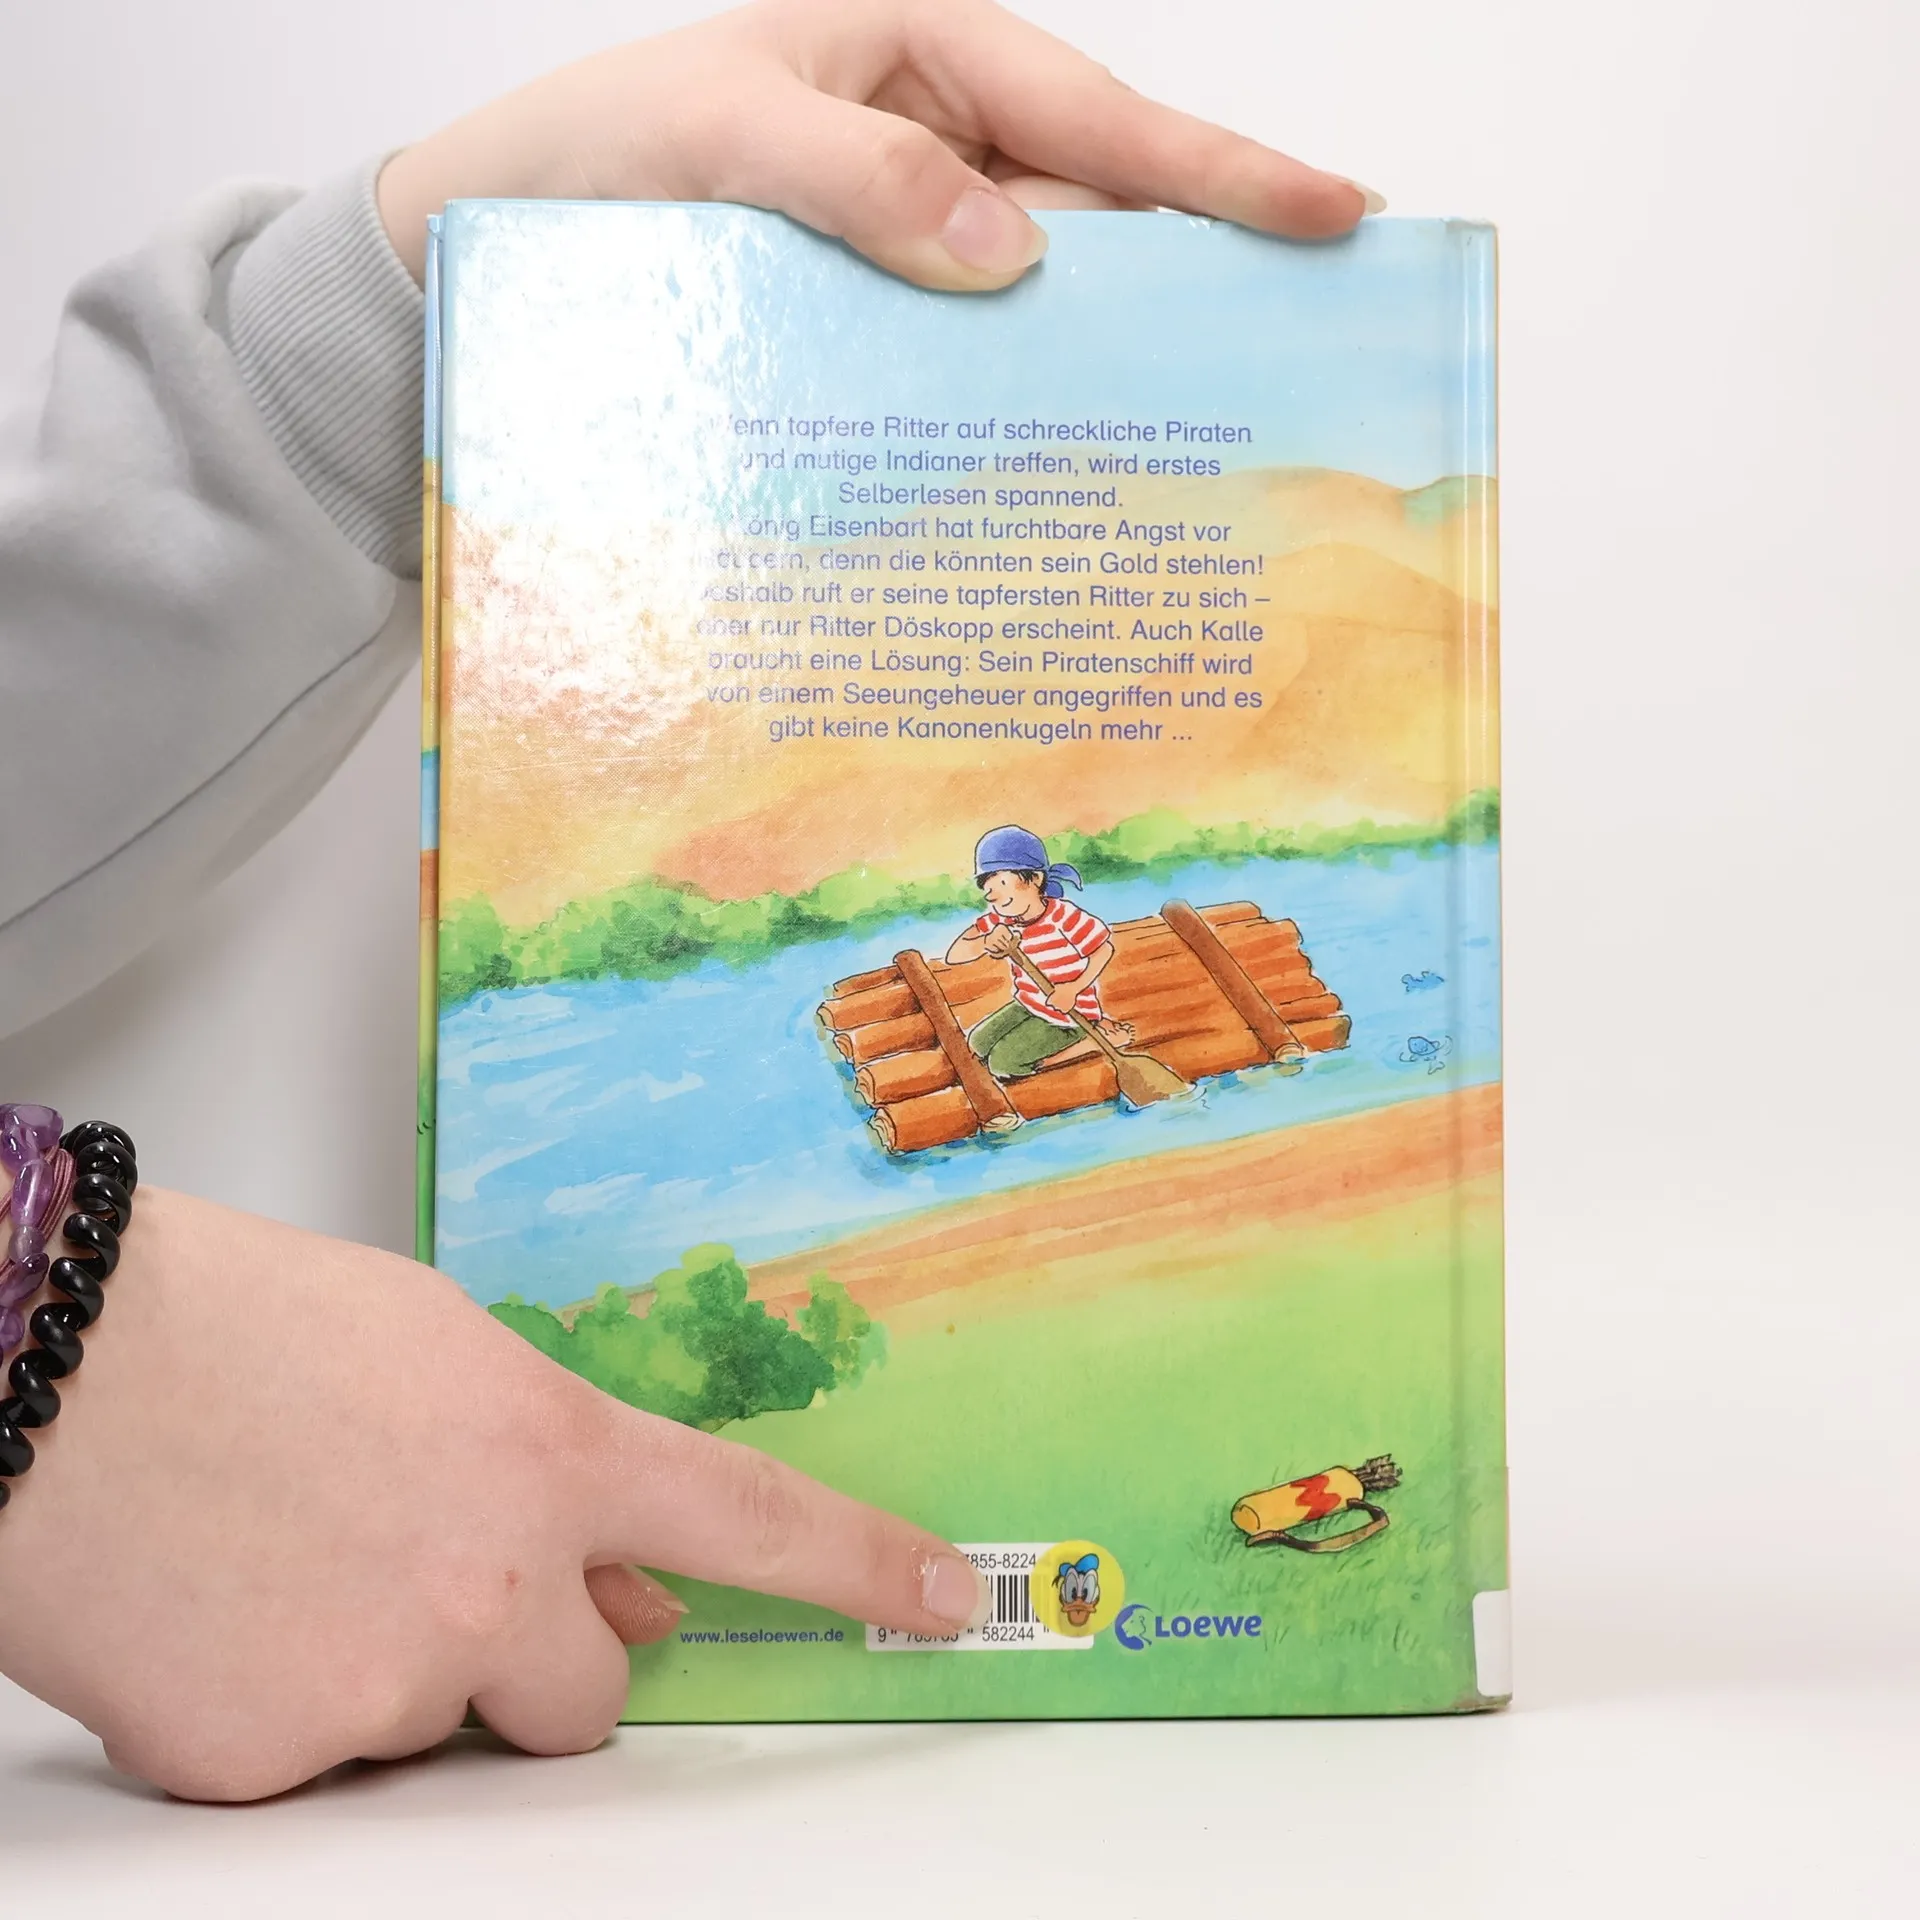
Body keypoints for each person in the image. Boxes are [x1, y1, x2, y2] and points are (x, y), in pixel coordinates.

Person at [0, 0, 1376, 1801]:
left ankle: (1106, 1074)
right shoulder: (1018, 920)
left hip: (1077, 1004)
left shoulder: (1051, 918)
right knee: (1033, 1031)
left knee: (1068, 1034)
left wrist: (383, 327)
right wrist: (50, 1344)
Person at [946, 825, 1134, 1078]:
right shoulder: (1002, 920)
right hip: (1029, 1004)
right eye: (987, 887)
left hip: (1069, 1014)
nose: (991, 895)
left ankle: (1092, 1042)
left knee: (1003, 1064)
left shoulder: (1063, 916)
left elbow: (1103, 949)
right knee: (977, 1043)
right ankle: (1095, 1030)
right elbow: (954, 955)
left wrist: (1073, 989)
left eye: (1002, 883)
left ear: (1035, 878)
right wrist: (984, 942)